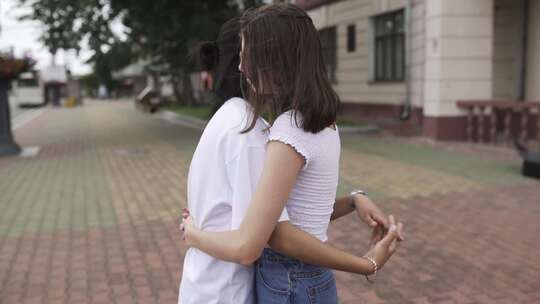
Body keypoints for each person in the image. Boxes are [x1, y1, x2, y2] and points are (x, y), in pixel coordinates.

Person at [180, 10, 404, 304]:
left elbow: (270, 236)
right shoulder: (323, 121)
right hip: (308, 279)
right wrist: (353, 199)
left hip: (287, 280)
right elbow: (302, 213)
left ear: (278, 62)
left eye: (249, 57)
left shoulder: (286, 129)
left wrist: (193, 235)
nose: (241, 66)